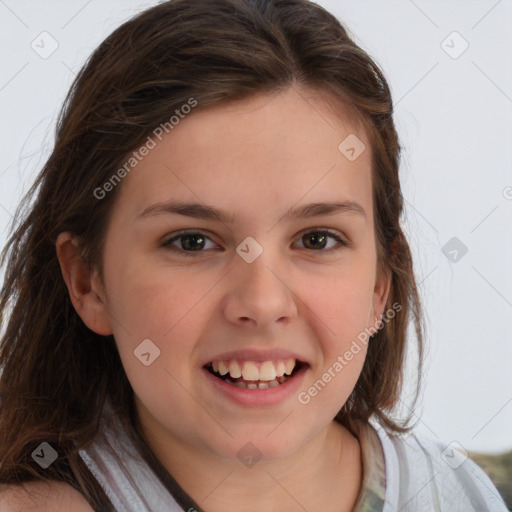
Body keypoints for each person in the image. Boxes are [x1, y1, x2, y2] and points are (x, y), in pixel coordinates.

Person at [0, 0, 508, 511]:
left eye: (316, 240)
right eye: (192, 241)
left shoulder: (467, 496)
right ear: (89, 280)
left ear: (382, 284)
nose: (262, 303)